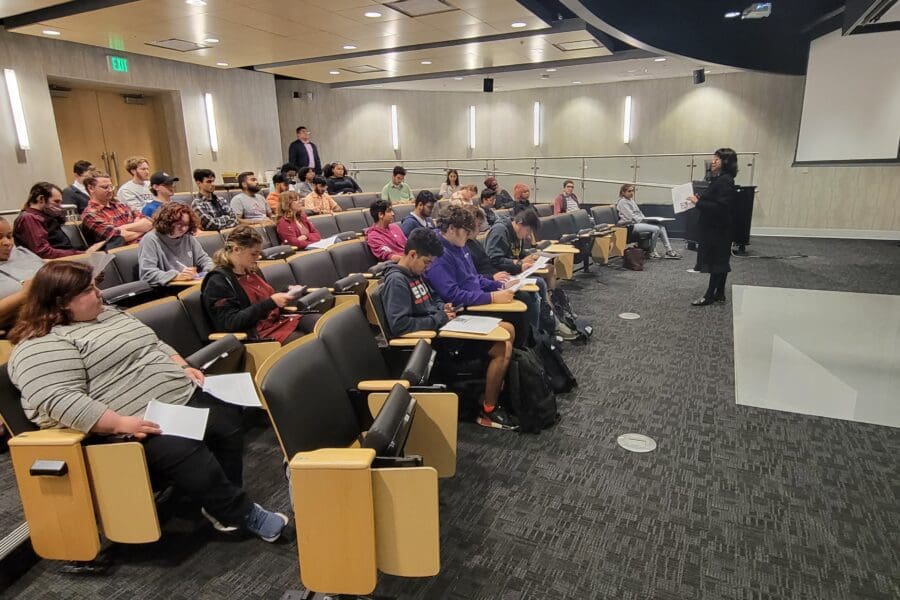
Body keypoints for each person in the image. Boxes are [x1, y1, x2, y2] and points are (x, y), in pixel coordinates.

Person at [7, 261, 289, 542]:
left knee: (226, 420)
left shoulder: (108, 315)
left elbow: (154, 343)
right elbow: (57, 398)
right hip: (130, 422)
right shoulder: (41, 344)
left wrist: (181, 366)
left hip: (175, 396)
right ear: (61, 302)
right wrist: (118, 423)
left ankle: (220, 499)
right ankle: (237, 512)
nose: (100, 294)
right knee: (185, 449)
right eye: (89, 290)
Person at [380, 228, 514, 430]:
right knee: (502, 348)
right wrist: (439, 317)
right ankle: (488, 407)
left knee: (507, 328)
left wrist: (443, 307)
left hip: (446, 328)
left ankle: (494, 390)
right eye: (427, 262)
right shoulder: (397, 281)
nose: (429, 267)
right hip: (436, 344)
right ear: (412, 254)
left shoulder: (417, 273)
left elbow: (433, 298)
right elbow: (400, 325)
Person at [201, 226, 317, 343]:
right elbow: (231, 323)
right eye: (253, 254)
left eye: (258, 253)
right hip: (254, 334)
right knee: (306, 341)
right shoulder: (217, 281)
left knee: (319, 323)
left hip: (275, 322)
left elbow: (261, 296)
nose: (258, 258)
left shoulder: (250, 269)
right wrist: (271, 302)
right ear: (236, 250)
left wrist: (286, 290)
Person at [688, 148, 738, 306]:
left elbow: (721, 207)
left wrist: (698, 202)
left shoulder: (725, 180)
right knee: (721, 262)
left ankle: (710, 295)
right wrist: (702, 199)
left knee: (717, 262)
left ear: (726, 162)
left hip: (717, 229)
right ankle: (720, 293)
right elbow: (716, 201)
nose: (713, 161)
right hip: (719, 227)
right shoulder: (722, 179)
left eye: (717, 159)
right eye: (714, 158)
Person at [14, 182, 103, 258]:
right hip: (54, 264)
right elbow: (43, 252)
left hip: (67, 256)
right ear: (41, 199)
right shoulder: (29, 218)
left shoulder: (46, 215)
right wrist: (82, 254)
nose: (60, 206)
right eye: (56, 202)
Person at [138, 203, 214, 287]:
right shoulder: (150, 240)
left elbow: (204, 259)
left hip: (190, 284)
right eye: (179, 224)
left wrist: (209, 271)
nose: (184, 228)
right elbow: (147, 273)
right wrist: (177, 276)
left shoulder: (187, 237)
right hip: (166, 290)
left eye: (187, 225)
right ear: (167, 222)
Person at [81, 172, 152, 246]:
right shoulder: (90, 214)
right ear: (91, 188)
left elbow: (149, 223)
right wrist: (141, 228)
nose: (110, 190)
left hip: (145, 244)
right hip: (124, 252)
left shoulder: (121, 206)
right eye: (105, 187)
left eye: (111, 186)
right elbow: (119, 237)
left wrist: (123, 228)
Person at [616, 184, 682, 260]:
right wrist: (644, 221)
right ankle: (651, 251)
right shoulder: (622, 202)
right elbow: (631, 217)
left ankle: (669, 251)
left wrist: (646, 219)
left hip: (638, 223)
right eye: (629, 191)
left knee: (662, 227)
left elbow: (639, 213)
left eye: (632, 191)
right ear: (623, 192)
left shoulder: (631, 201)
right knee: (656, 229)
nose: (631, 193)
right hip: (630, 225)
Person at [0, 216, 45, 325]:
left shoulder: (21, 252)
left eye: (9, 236)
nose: (7, 243)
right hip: (29, 325)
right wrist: (22, 295)